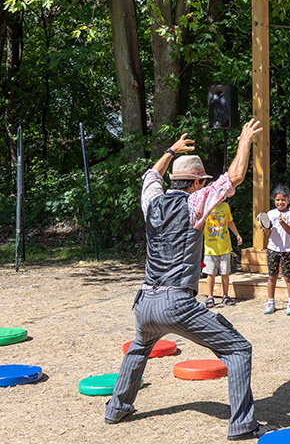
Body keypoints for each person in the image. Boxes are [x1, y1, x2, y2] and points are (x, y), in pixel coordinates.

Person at [105, 120, 274, 441]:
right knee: (238, 349)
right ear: (196, 182)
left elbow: (151, 176)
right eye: (202, 181)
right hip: (175, 302)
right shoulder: (195, 202)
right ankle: (242, 425)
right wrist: (244, 141)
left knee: (139, 349)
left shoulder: (151, 201)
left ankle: (117, 408)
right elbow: (235, 177)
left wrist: (170, 151)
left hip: (144, 302)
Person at [262, 184, 290, 315]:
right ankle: (270, 301)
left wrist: (282, 222)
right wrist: (265, 228)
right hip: (272, 249)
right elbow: (268, 233)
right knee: (272, 276)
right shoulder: (270, 214)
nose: (280, 202)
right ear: (274, 201)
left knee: (288, 277)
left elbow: (289, 230)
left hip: (287, 250)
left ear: (288, 200)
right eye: (277, 200)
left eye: (283, 200)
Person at [203, 198, 243, 308]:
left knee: (225, 273)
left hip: (225, 246)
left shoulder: (225, 206)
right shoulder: (205, 206)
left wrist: (237, 235)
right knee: (210, 274)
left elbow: (230, 222)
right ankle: (210, 296)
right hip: (210, 248)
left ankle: (225, 295)